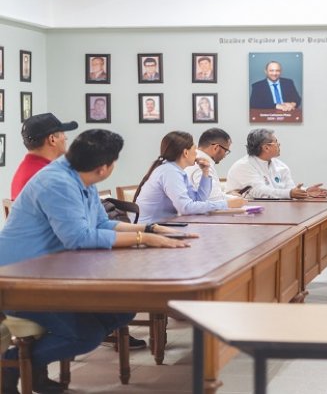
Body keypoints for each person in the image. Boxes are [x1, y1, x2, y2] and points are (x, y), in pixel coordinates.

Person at [0, 129, 190, 394]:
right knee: (85, 335)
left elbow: (101, 223)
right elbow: (78, 237)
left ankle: (34, 371)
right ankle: (12, 365)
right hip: (19, 281)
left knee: (122, 309)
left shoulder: (80, 175)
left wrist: (150, 230)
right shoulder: (57, 183)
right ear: (105, 168)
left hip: (52, 272)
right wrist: (141, 239)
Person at [134, 131, 246, 223]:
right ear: (186, 153)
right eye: (194, 150)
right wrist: (225, 204)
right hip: (150, 228)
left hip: (165, 225)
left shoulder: (177, 171)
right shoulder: (170, 172)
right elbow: (186, 208)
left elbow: (199, 200)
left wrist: (205, 173)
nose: (197, 154)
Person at [225, 129, 327, 199]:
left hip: (276, 211)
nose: (279, 144)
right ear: (266, 147)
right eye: (276, 142)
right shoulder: (243, 166)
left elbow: (289, 189)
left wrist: (305, 191)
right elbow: (259, 192)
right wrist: (290, 193)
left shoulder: (280, 166)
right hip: (246, 217)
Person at [10, 113, 78, 200]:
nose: (66, 137)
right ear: (52, 139)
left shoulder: (24, 170)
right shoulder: (48, 177)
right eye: (62, 133)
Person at [185, 128, 234, 202]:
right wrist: (237, 200)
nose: (225, 155)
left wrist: (234, 198)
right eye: (226, 151)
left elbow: (214, 195)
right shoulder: (201, 164)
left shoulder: (195, 159)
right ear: (216, 148)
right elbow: (212, 198)